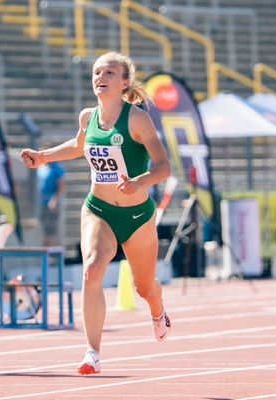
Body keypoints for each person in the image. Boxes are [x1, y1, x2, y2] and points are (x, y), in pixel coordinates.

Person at [20, 52, 172, 375]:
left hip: (136, 216)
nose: (101, 77)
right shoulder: (87, 118)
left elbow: (163, 166)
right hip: (98, 210)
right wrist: (42, 157)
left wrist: (139, 181)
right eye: (96, 72)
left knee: (145, 286)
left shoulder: (136, 119)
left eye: (109, 72)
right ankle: (92, 352)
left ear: (124, 82)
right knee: (91, 269)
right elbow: (78, 146)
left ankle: (158, 311)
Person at [37, 160, 65, 246]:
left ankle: (52, 254)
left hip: (52, 204)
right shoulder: (41, 167)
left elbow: (61, 186)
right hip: (43, 203)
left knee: (52, 230)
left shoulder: (57, 168)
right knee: (44, 229)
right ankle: (46, 251)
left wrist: (54, 200)